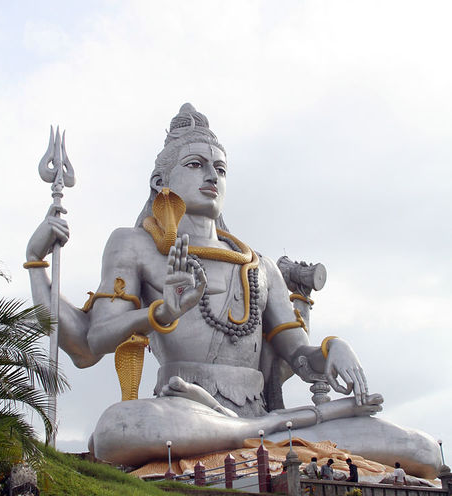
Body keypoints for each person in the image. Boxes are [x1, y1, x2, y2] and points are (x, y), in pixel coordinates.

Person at [24, 103, 384, 465]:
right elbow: (89, 343)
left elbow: (301, 360)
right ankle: (263, 431)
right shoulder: (134, 245)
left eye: (220, 168)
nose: (212, 176)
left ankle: (259, 428)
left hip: (257, 412)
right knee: (118, 426)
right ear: (160, 182)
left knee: (417, 448)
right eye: (195, 164)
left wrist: (333, 349)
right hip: (183, 410)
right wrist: (38, 263)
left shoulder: (260, 266)